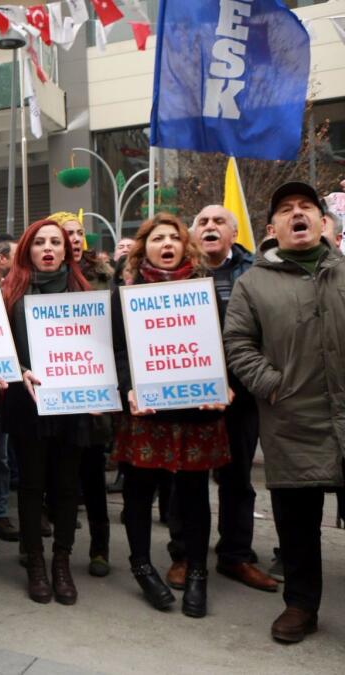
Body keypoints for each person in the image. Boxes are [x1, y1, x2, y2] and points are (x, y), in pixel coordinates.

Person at [224, 182, 344, 643]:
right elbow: (238, 345)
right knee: (298, 525)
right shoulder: (252, 283)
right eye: (287, 210)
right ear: (272, 228)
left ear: (322, 221)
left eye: (307, 208)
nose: (298, 214)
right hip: (292, 420)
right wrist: (274, 387)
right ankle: (300, 605)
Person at [112, 213, 230, 619]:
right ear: (143, 246)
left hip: (196, 410)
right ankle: (142, 566)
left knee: (195, 493)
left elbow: (222, 340)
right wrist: (128, 385)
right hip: (147, 411)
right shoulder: (126, 291)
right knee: (140, 491)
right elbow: (117, 349)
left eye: (174, 238)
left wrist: (223, 382)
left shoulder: (205, 290)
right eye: (157, 237)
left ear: (185, 246)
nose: (166, 244)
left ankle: (197, 572)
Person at [1, 218, 98, 604]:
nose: (47, 248)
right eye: (39, 242)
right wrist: (18, 369)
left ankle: (62, 559)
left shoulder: (84, 292)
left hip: (73, 406)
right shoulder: (11, 295)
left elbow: (100, 350)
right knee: (31, 485)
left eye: (55, 242)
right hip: (31, 404)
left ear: (66, 250)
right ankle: (36, 561)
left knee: (66, 486)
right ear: (27, 249)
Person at [185, 205, 276, 592]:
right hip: (189, 392)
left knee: (238, 478)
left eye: (218, 221)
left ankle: (234, 555)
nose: (209, 226)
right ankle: (184, 554)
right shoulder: (180, 275)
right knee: (187, 478)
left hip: (241, 395)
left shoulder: (258, 275)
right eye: (202, 222)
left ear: (233, 233)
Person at [48, 210, 115, 578]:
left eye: (76, 233)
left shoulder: (102, 280)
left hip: (95, 396)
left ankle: (100, 546)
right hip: (61, 396)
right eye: (64, 233)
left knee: (93, 475)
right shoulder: (50, 283)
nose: (73, 238)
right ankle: (62, 552)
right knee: (64, 477)